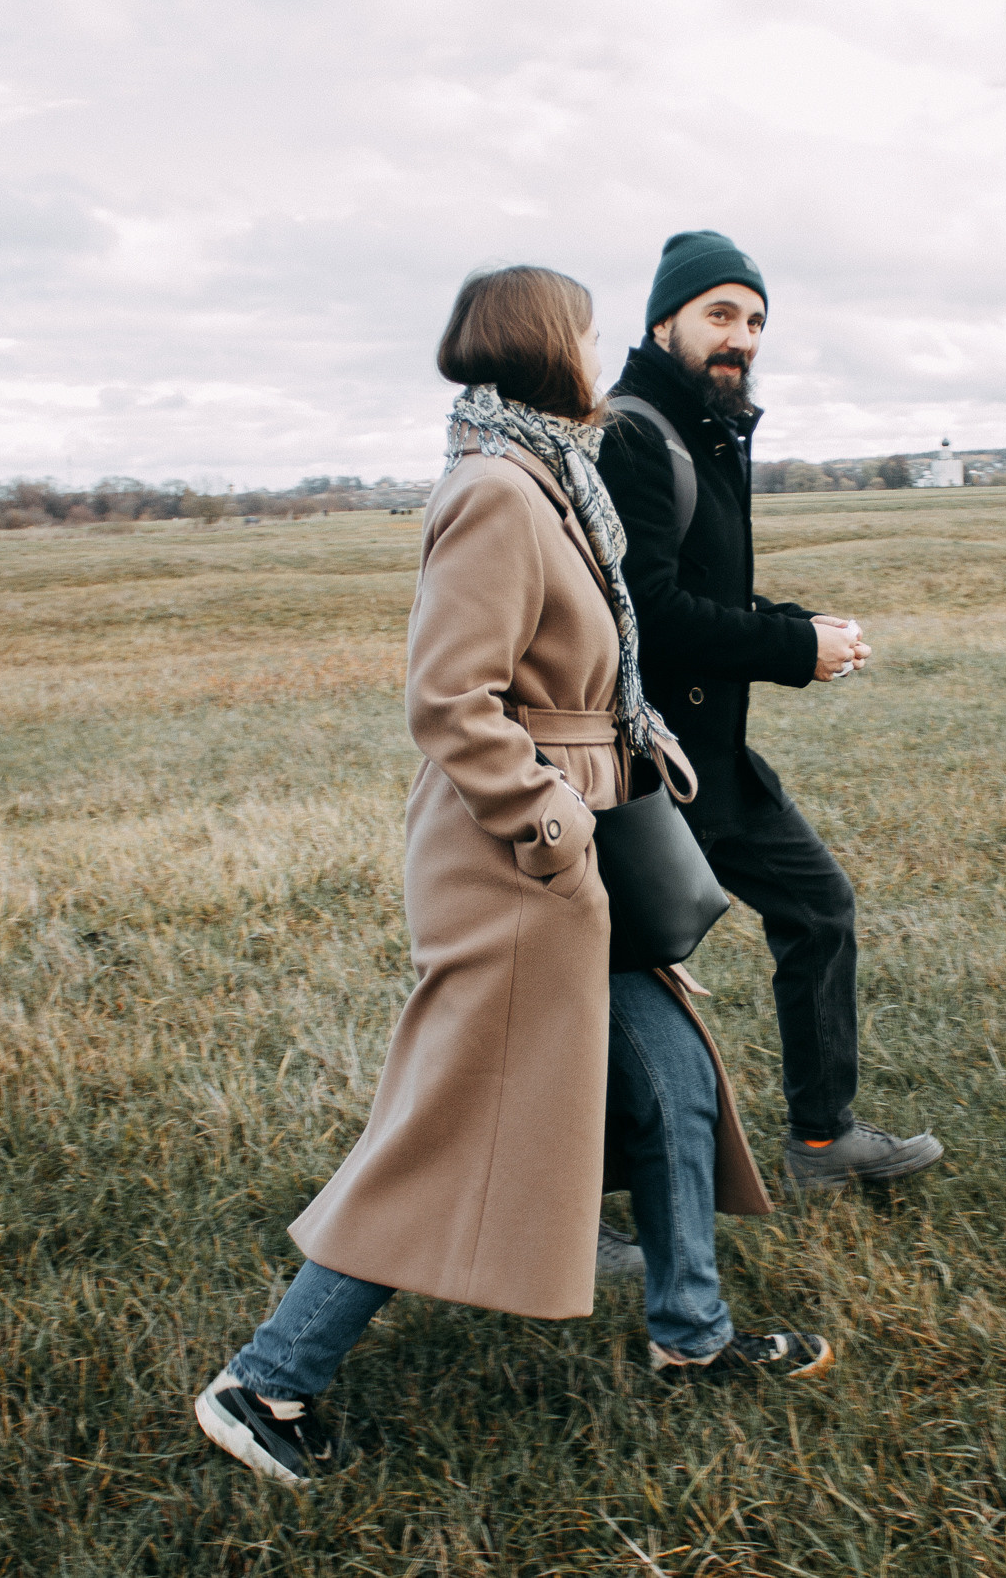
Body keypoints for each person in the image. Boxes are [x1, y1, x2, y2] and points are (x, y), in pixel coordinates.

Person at [195, 265, 834, 1489]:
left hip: (583, 849)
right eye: (585, 332)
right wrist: (551, 825)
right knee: (454, 1126)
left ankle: (693, 1338)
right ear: (546, 344)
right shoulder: (496, 490)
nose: (597, 353)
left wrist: (627, 753)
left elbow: (580, 670)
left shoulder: (552, 476)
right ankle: (265, 1383)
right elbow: (449, 701)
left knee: (675, 1085)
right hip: (517, 862)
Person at [595, 231, 944, 1198]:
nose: (740, 336)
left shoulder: (707, 428)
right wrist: (794, 651)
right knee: (607, 992)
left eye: (754, 320)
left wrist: (796, 625)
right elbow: (649, 617)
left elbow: (699, 591)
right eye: (719, 314)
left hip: (714, 758)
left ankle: (824, 1145)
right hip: (643, 772)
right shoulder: (632, 435)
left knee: (818, 906)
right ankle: (567, 1209)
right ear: (663, 320)